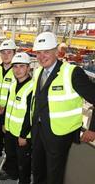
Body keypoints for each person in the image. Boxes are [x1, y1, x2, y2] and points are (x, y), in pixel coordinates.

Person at [31, 32, 95, 184]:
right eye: (38, 52)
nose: (41, 56)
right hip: (38, 131)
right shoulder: (38, 71)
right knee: (38, 169)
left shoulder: (72, 73)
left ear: (56, 52)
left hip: (59, 135)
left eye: (46, 51)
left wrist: (92, 129)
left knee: (54, 174)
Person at [0, 52, 32, 184]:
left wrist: (24, 135)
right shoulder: (13, 85)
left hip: (22, 135)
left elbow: (30, 114)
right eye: (15, 66)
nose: (18, 70)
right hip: (10, 130)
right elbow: (8, 107)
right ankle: (12, 174)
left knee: (23, 161)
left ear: (28, 68)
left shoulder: (31, 88)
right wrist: (5, 124)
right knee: (10, 155)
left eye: (22, 66)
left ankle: (23, 181)